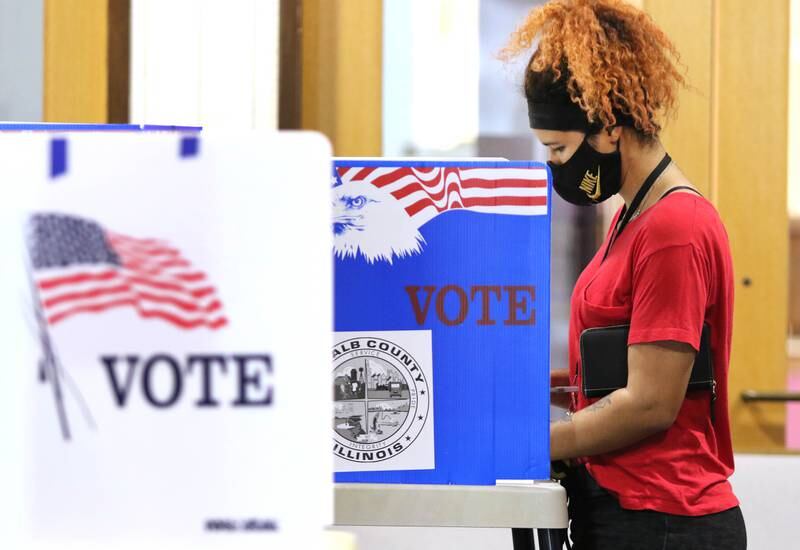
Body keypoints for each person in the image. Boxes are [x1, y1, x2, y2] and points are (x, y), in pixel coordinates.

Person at [502, 1, 746, 548]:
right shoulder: (632, 218)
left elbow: (650, 403)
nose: (556, 168)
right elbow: (622, 371)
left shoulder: (674, 229)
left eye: (560, 149)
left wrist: (530, 441)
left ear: (609, 129)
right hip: (624, 509)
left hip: (661, 519)